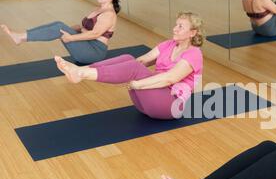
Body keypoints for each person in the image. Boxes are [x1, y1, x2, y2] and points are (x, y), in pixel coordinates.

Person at [54, 11, 204, 120]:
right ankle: (81, 70)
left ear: (192, 33)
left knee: (133, 67)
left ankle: (81, 74)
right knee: (129, 58)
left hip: (170, 106)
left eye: (180, 27)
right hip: (148, 102)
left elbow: (169, 79)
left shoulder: (194, 54)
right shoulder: (168, 44)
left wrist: (138, 85)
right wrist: (125, 70)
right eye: (176, 25)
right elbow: (142, 61)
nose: (174, 29)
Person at [1, 0, 122, 64]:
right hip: (87, 45)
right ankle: (21, 36)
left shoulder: (108, 14)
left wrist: (71, 38)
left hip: (94, 53)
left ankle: (20, 37)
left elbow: (95, 34)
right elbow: (82, 27)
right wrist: (64, 30)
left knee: (59, 27)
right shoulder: (100, 9)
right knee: (59, 25)